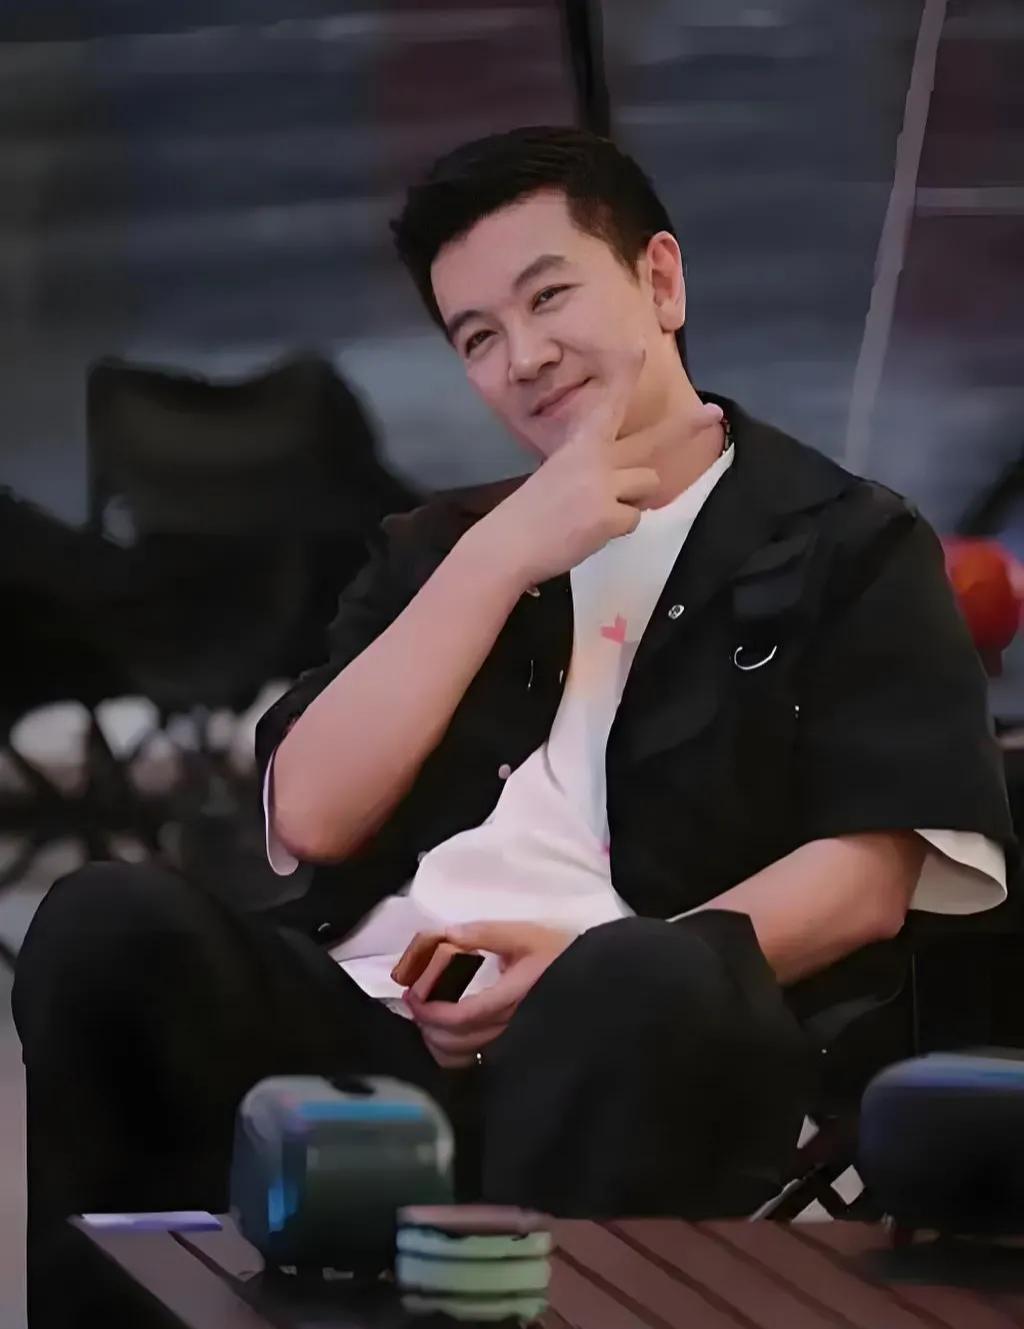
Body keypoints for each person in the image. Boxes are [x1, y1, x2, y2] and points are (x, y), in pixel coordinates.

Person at [14, 126, 1013, 1327]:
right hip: (369, 1022)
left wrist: (584, 972)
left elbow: (870, 877)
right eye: (477, 337)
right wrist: (500, 556)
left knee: (638, 979)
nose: (524, 358)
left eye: (549, 297)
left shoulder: (849, 544)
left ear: (659, 281)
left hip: (629, 1023)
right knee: (108, 920)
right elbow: (311, 814)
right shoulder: (440, 547)